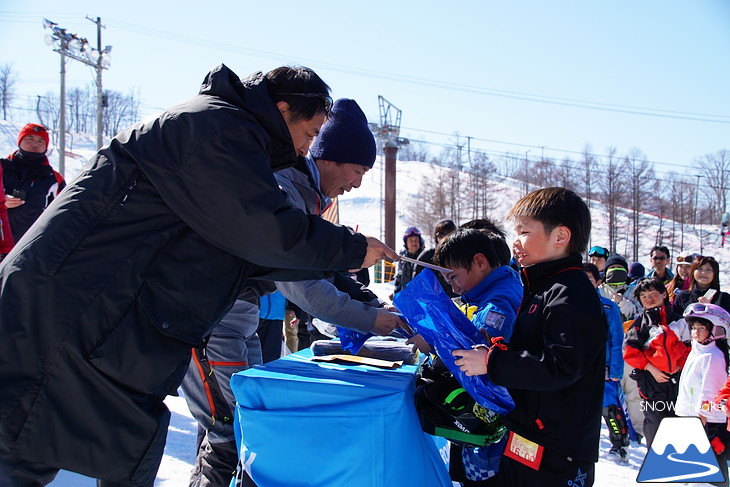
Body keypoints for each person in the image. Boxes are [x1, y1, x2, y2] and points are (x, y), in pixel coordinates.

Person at [0, 65, 400, 487]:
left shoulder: (233, 137)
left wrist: (341, 263)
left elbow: (248, 251)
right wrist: (350, 249)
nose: (307, 148)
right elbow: (261, 230)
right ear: (284, 110)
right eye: (310, 132)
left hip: (99, 318)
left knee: (76, 449)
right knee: (23, 450)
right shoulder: (215, 130)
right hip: (67, 313)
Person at [181, 97, 403, 487]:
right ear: (329, 158)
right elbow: (304, 286)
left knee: (247, 426)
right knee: (229, 432)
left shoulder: (309, 199)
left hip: (239, 325)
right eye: (357, 170)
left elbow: (324, 267)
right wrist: (372, 319)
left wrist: (370, 304)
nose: (357, 184)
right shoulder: (285, 191)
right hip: (210, 323)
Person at [456, 187, 605, 487]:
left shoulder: (571, 293)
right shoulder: (543, 286)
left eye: (524, 231)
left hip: (557, 450)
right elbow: (534, 348)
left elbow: (561, 365)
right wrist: (497, 347)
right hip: (529, 433)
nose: (516, 241)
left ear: (560, 237)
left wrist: (492, 362)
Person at [426, 227, 522, 485]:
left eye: (454, 277)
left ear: (479, 262)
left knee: (481, 478)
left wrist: (435, 341)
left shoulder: (497, 303)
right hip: (491, 411)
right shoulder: (492, 291)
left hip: (489, 416)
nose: (454, 288)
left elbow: (479, 348)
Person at [624, 278, 690, 447]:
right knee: (655, 422)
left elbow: (689, 346)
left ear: (663, 294)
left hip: (678, 381)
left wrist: (680, 365)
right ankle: (656, 462)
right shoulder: (640, 324)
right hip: (651, 383)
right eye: (643, 296)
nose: (649, 298)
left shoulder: (678, 320)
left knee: (679, 422)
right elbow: (630, 351)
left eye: (653, 293)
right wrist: (650, 368)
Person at [676, 303, 730, 487]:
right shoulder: (698, 350)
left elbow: (709, 391)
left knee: (707, 472)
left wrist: (701, 420)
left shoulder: (713, 356)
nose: (695, 332)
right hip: (690, 416)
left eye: (701, 328)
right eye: (693, 328)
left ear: (715, 330)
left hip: (705, 421)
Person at [583, 263, 630, 461]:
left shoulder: (608, 307)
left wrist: (616, 370)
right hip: (579, 369)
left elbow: (617, 338)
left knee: (609, 409)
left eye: (589, 280)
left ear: (598, 282)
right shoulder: (568, 304)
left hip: (604, 369)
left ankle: (620, 445)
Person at [2, 123, 66, 243]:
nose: (35, 144)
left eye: (41, 141)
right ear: (20, 141)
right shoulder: (1, 168)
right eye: (29, 139)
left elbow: (64, 215)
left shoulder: (54, 179)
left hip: (32, 249)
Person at [414, 218, 457, 297]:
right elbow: (417, 283)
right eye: (441, 234)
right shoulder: (427, 257)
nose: (445, 238)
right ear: (436, 237)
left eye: (449, 234)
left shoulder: (461, 256)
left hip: (460, 302)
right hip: (434, 303)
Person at [598, 254, 638, 321]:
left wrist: (622, 302)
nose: (616, 270)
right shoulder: (600, 290)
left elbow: (637, 313)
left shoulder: (634, 291)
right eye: (612, 267)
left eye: (619, 267)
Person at [257, 290, 287, 363]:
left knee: (271, 357)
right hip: (255, 313)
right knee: (252, 354)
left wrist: (293, 308)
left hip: (276, 313)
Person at [393, 226, 425, 295]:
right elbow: (398, 279)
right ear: (406, 243)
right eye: (410, 240)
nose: (414, 243)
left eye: (416, 240)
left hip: (423, 299)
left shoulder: (425, 258)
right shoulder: (403, 260)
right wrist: (396, 295)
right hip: (407, 298)